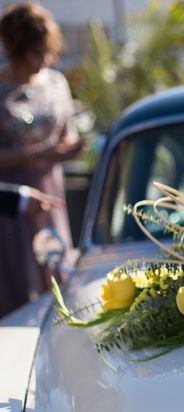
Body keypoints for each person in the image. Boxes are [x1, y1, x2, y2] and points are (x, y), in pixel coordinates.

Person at [0, 3, 84, 317]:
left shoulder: (56, 83)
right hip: (9, 201)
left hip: (52, 191)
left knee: (56, 270)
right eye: (35, 52)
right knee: (16, 282)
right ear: (15, 50)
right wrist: (37, 154)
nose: (44, 60)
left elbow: (68, 133)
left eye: (46, 51)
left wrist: (71, 149)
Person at [0, 180, 64, 217]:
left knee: (40, 200)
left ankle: (54, 202)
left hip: (18, 198)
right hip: (18, 200)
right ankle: (54, 202)